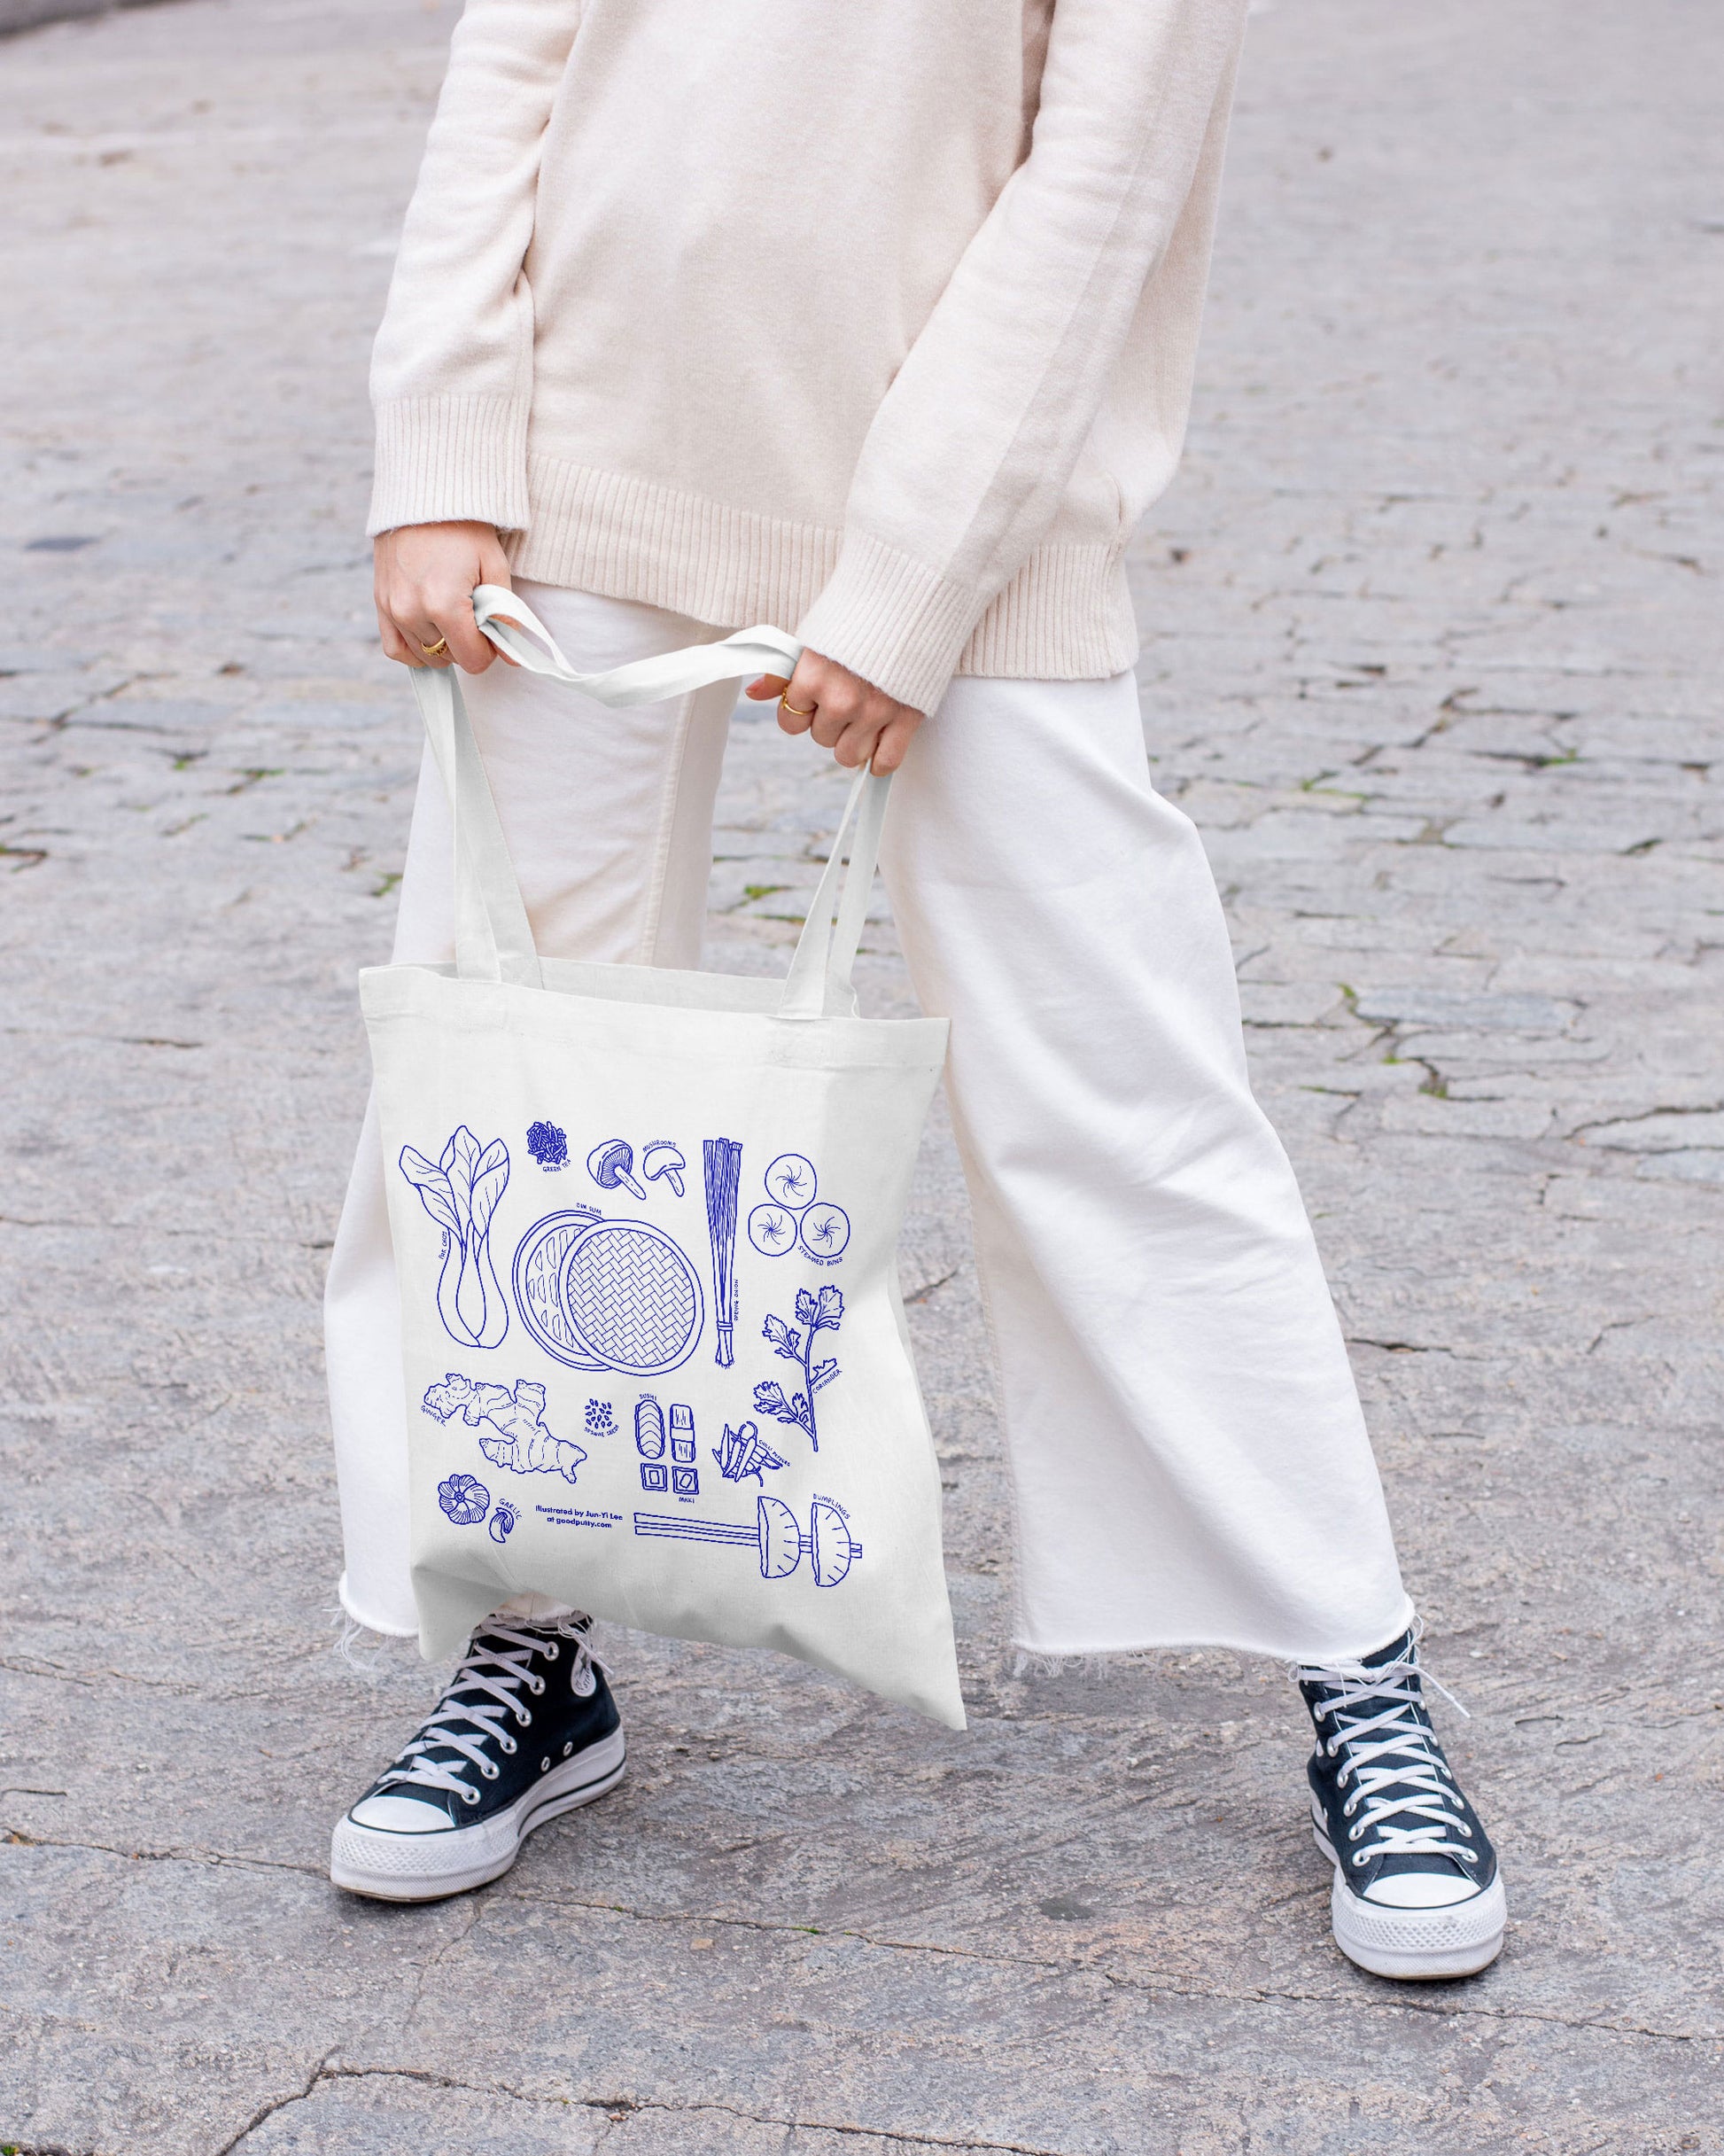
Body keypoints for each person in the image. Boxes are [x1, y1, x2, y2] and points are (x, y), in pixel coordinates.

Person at [322, 0, 1505, 1981]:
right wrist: (441, 442)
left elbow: (1103, 173)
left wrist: (907, 573)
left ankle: (1353, 1661)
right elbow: (515, 48)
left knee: (1113, 1082)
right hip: (581, 451)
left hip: (974, 504)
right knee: (512, 1074)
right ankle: (526, 1639)